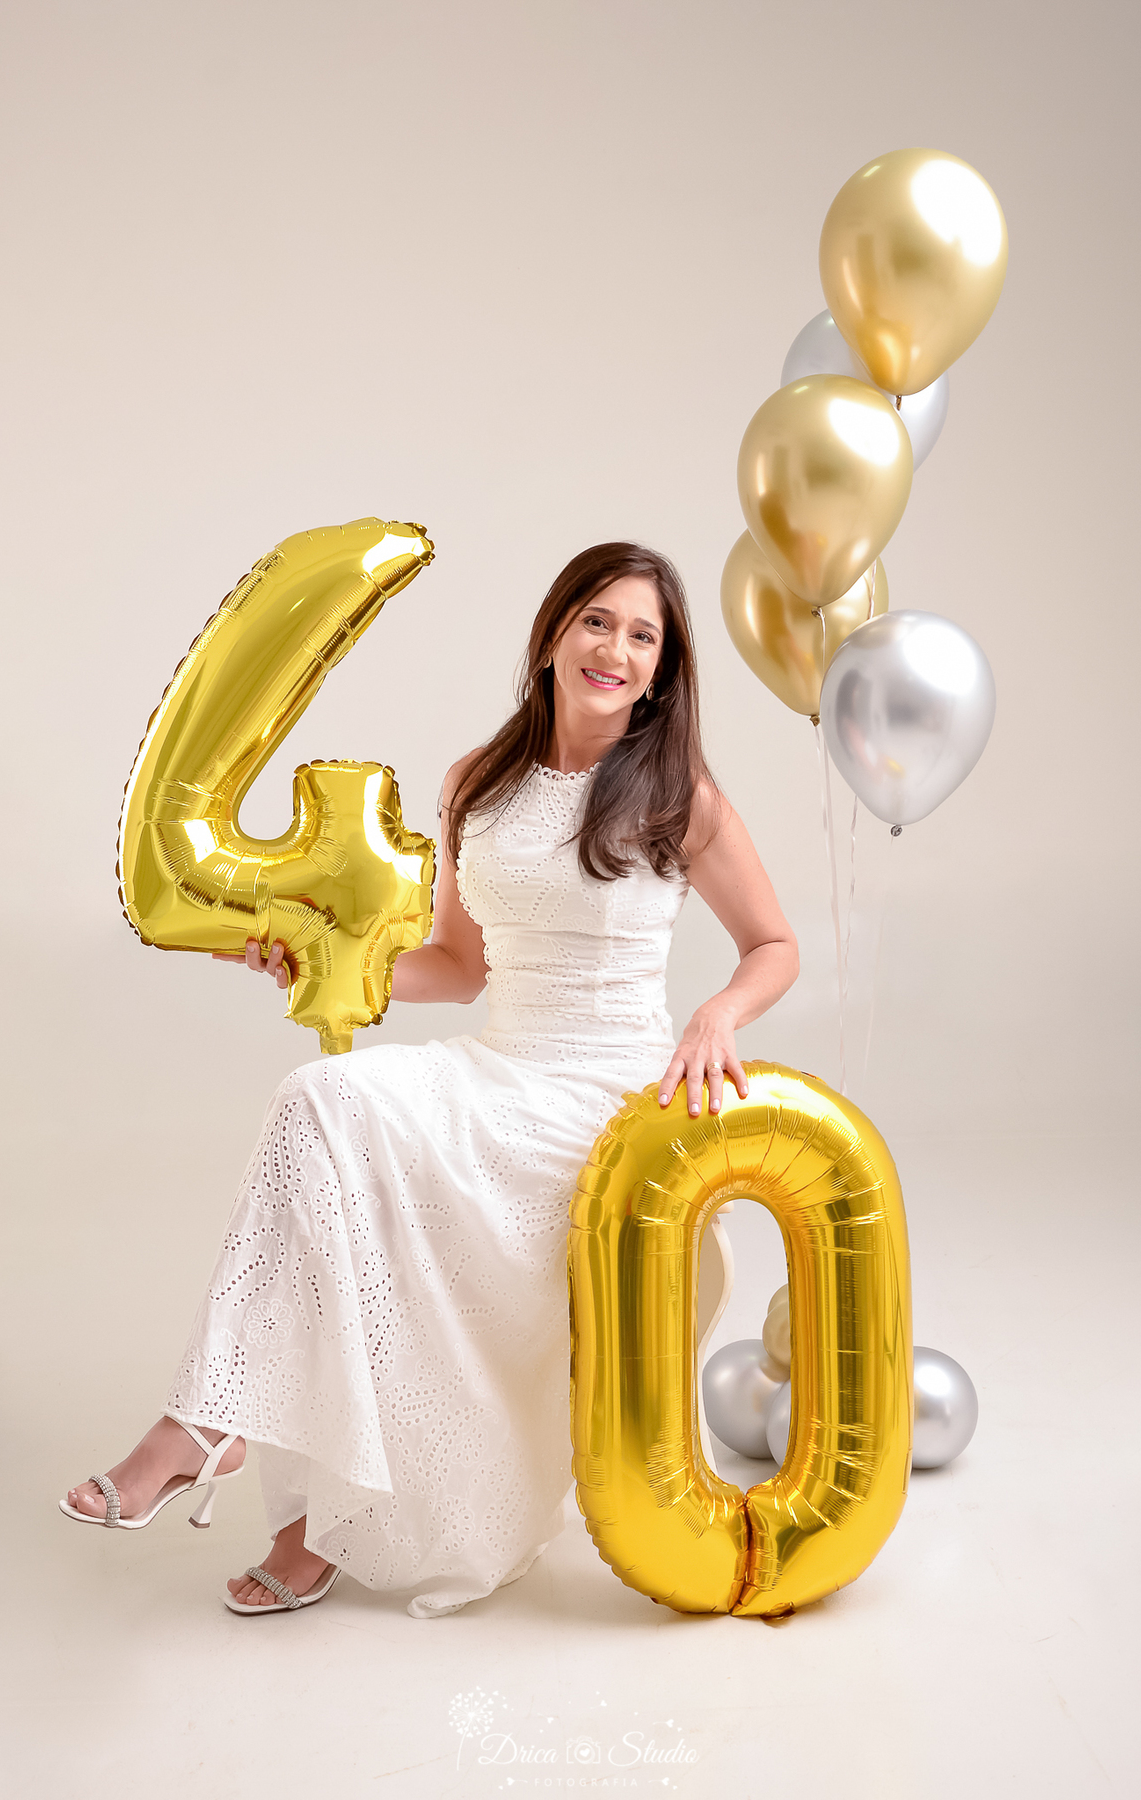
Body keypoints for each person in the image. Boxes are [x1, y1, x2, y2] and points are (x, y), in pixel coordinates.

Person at [62, 541, 799, 1617]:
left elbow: (773, 944)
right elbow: (458, 967)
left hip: (604, 1100)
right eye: (598, 621)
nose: (616, 649)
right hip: (500, 1070)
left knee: (350, 1149)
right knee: (322, 1109)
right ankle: (246, 1450)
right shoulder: (476, 782)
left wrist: (716, 1016)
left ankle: (244, 1461)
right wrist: (314, 960)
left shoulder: (678, 795)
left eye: (644, 637)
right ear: (553, 636)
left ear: (660, 672)